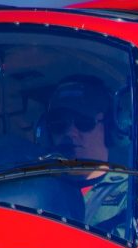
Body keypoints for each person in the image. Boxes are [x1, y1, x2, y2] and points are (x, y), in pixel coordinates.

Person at [45, 75, 132, 239]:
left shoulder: (132, 196)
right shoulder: (38, 190)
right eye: (59, 125)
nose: (70, 133)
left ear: (110, 128)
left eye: (83, 122)